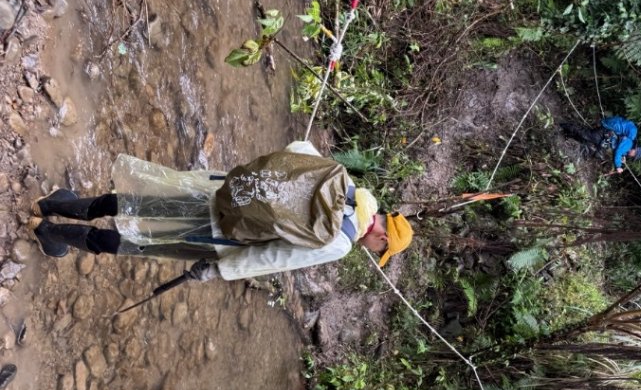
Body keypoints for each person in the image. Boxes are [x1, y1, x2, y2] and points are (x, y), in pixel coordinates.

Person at [29, 141, 413, 281]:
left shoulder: (345, 182)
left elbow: (297, 151)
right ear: (381, 236)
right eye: (381, 250)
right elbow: (274, 257)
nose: (374, 251)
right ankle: (51, 234)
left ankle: (56, 205)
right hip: (220, 236)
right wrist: (216, 271)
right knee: (142, 242)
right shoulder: (341, 242)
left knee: (142, 203)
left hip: (227, 192)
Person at [560, 115, 641, 174]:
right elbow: (618, 152)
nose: (631, 156)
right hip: (603, 134)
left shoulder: (628, 144)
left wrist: (623, 156)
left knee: (588, 139)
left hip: (605, 137)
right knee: (586, 134)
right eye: (633, 156)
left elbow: (620, 148)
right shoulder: (629, 143)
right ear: (634, 151)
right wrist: (618, 166)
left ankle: (567, 134)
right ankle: (563, 126)